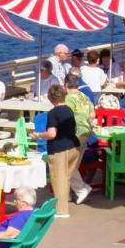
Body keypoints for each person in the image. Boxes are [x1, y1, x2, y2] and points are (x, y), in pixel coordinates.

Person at [32, 85, 82, 218]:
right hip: (74, 147)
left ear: (50, 98)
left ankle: (61, 210)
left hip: (59, 149)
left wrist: (38, 135)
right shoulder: (69, 110)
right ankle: (64, 202)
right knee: (66, 178)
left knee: (58, 180)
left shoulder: (53, 113)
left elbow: (52, 134)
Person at [63, 74, 94, 204]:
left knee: (68, 164)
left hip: (75, 134)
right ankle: (70, 192)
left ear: (65, 86)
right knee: (73, 164)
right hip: (86, 132)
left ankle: (81, 189)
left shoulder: (69, 98)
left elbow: (67, 117)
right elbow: (92, 114)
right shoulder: (84, 96)